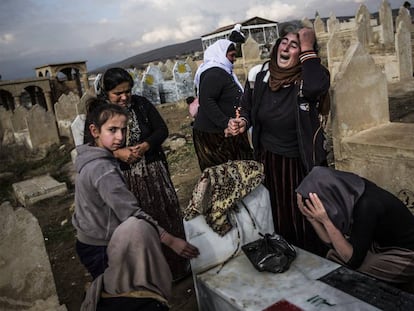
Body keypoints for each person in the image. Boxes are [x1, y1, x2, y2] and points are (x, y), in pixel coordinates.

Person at [74, 100, 199, 310]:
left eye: (123, 130)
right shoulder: (102, 169)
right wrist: (169, 240)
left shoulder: (91, 157)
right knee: (126, 297)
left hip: (90, 239)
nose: (120, 137)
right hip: (100, 246)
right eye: (112, 130)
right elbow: (131, 212)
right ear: (94, 131)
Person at [226, 24, 330, 256]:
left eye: (294, 46)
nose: (286, 47)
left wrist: (307, 46)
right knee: (274, 212)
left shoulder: (308, 78)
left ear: (302, 53)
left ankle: (312, 259)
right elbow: (247, 107)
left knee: (303, 215)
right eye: (284, 42)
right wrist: (242, 121)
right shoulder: (260, 76)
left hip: (300, 163)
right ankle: (282, 253)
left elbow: (317, 87)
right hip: (269, 159)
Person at [84, 67, 189, 281]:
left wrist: (146, 145)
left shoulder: (141, 104)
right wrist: (116, 152)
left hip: (153, 175)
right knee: (137, 227)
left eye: (128, 91)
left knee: (165, 217)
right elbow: (90, 146)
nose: (124, 97)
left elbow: (162, 130)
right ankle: (148, 276)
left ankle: (176, 269)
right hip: (121, 181)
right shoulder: (99, 115)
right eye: (118, 93)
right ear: (106, 92)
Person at [296, 166, 414, 287]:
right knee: (335, 254)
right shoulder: (349, 192)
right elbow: (331, 244)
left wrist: (326, 221)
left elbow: (353, 261)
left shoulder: (366, 204)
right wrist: (311, 219)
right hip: (380, 246)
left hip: (406, 255)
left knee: (346, 264)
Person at [192, 39, 253, 171]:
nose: (234, 59)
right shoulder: (213, 73)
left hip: (227, 131)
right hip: (214, 136)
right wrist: (225, 122)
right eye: (231, 55)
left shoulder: (222, 71)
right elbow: (206, 101)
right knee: (221, 174)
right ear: (220, 54)